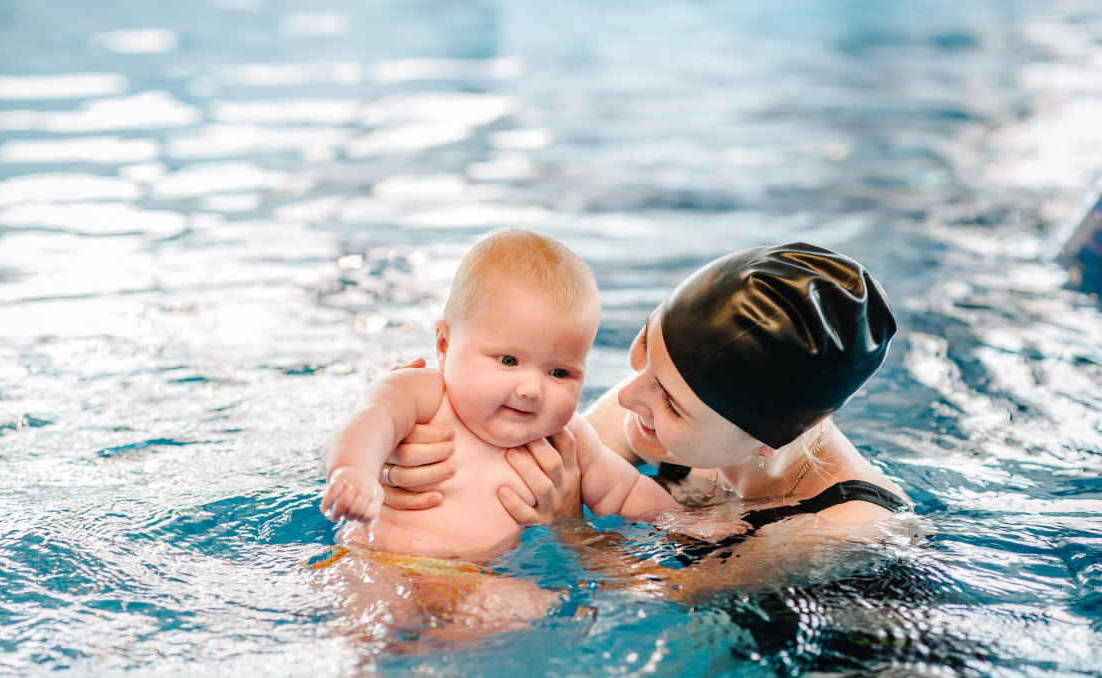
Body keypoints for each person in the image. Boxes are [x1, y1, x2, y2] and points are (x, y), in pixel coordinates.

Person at [379, 242, 912, 594]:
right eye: (644, 349)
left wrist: (571, 528)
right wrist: (409, 437)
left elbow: (671, 597)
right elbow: (518, 456)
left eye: (672, 404)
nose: (630, 395)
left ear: (765, 442)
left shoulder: (843, 528)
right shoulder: (673, 395)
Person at [320, 228, 674, 562]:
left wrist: (691, 521)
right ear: (444, 346)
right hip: (378, 559)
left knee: (529, 602)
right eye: (508, 360)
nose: (531, 390)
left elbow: (629, 494)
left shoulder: (568, 443)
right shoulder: (425, 395)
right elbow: (371, 417)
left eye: (559, 372)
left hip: (481, 580)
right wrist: (353, 471)